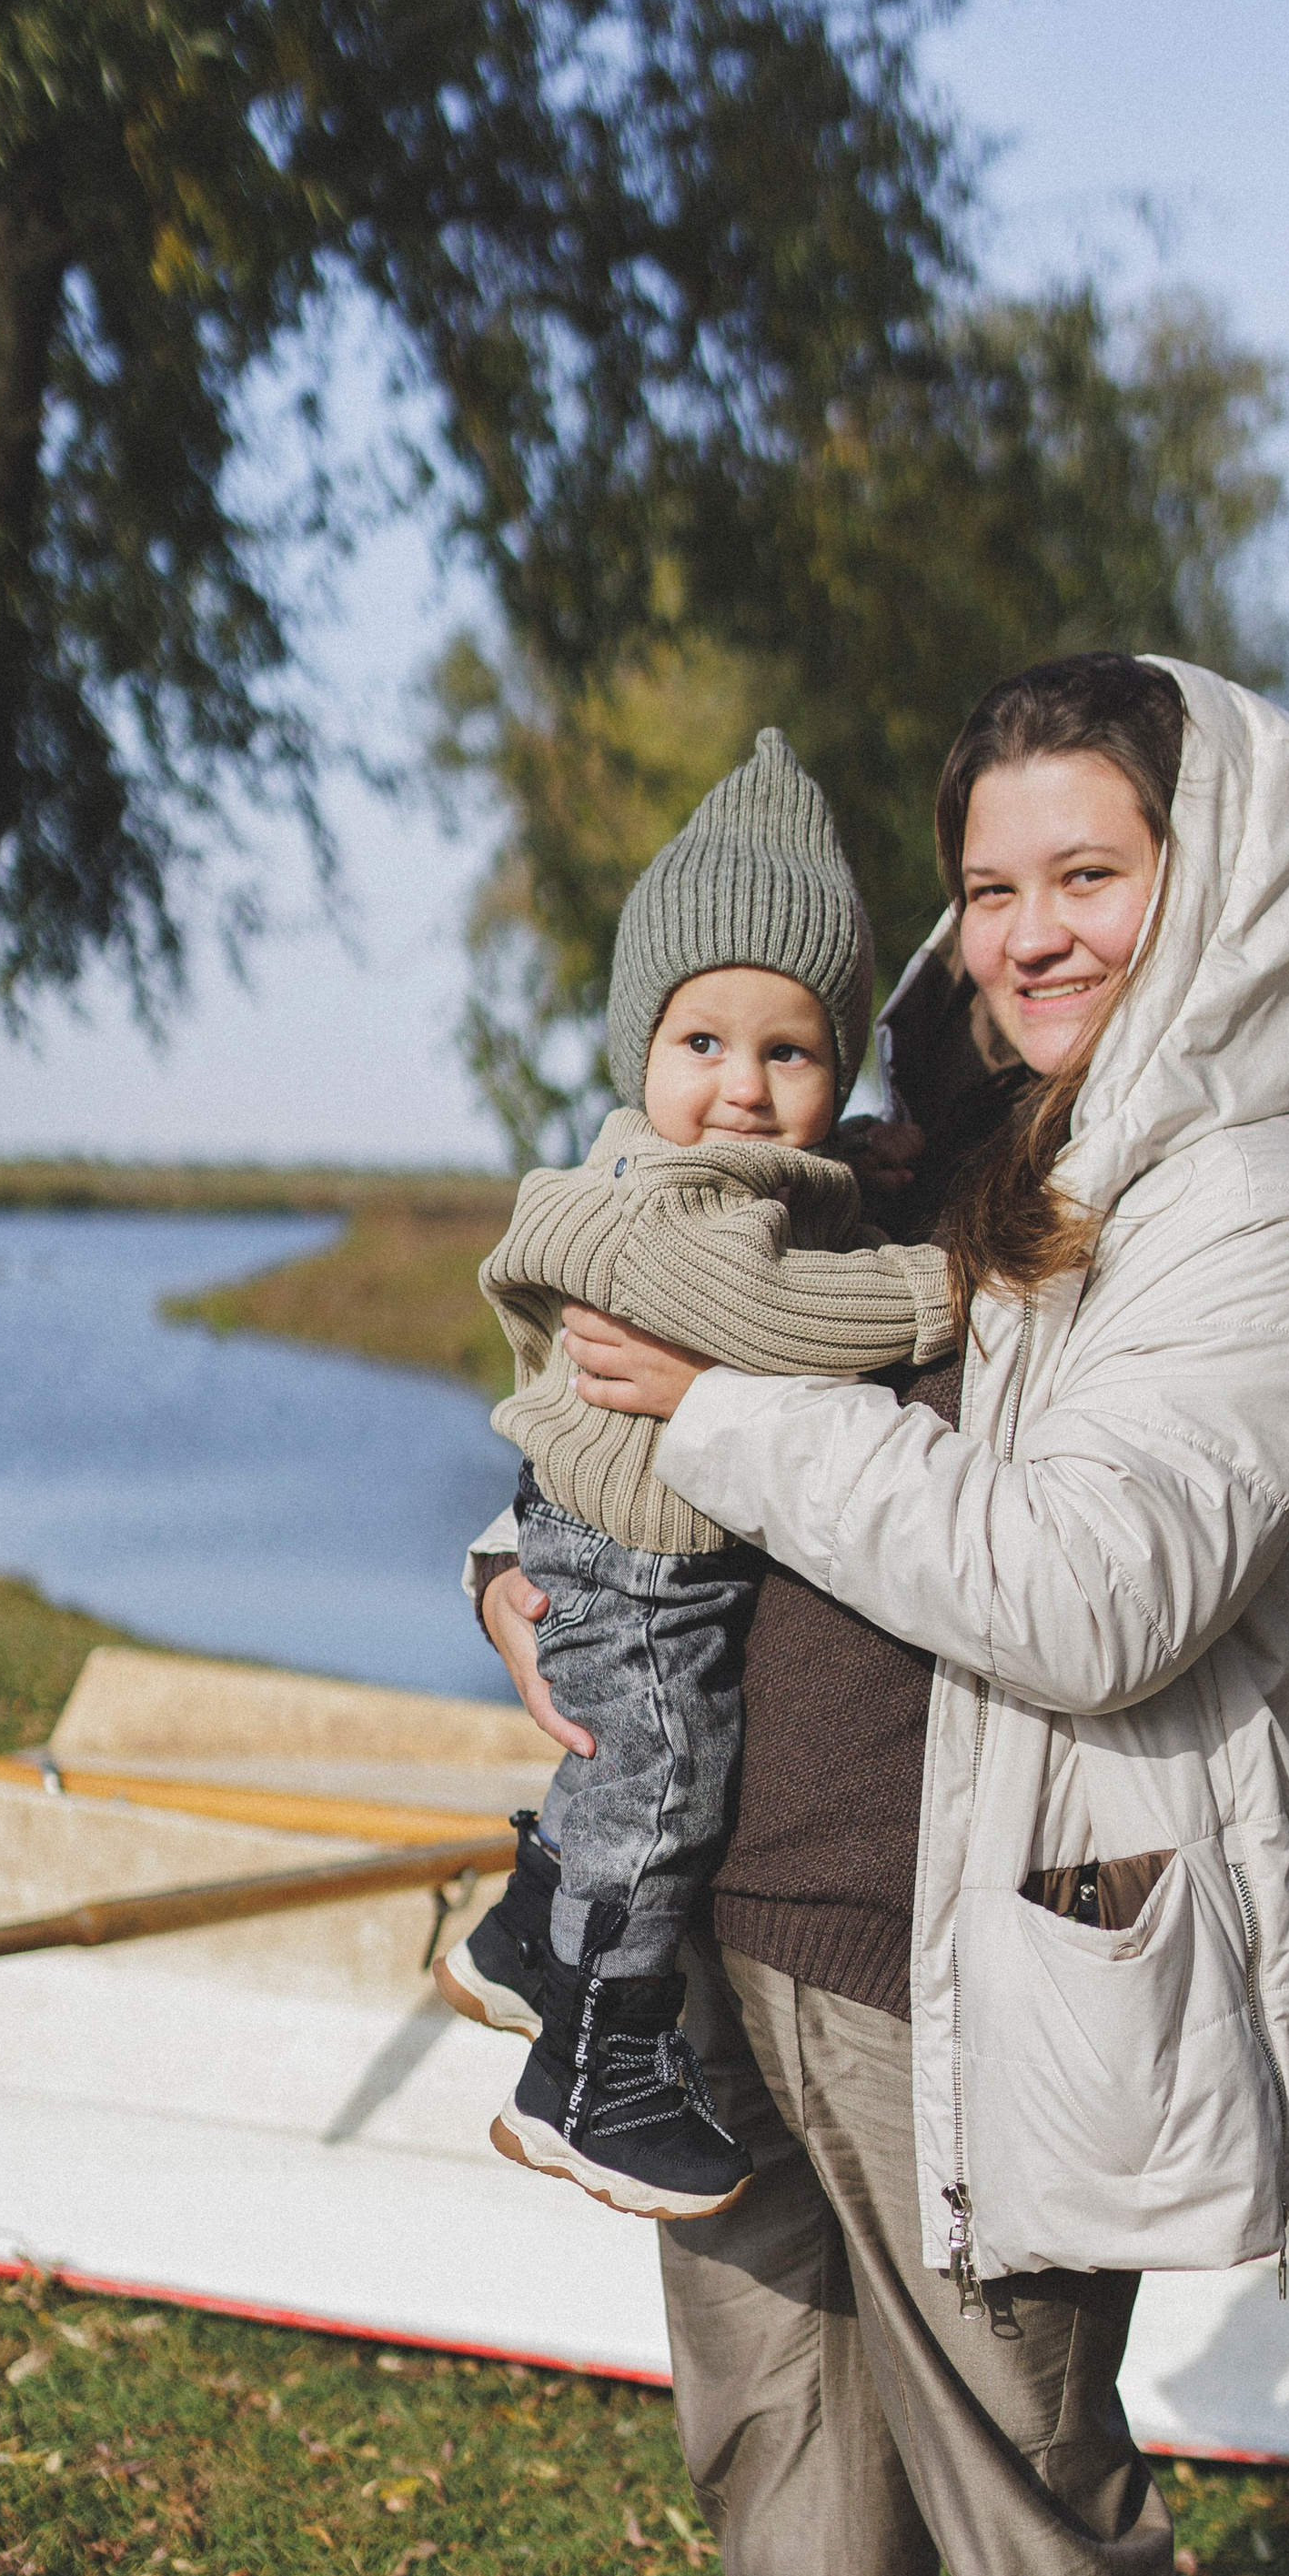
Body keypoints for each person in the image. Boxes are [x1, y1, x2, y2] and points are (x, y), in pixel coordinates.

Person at [473, 652, 1289, 2576]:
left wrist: (720, 1408)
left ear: (1198, 873)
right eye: (991, 882)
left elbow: (1096, 1593)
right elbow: (645, 1393)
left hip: (989, 1952)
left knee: (1028, 2491)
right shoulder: (956, 1140)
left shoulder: (1264, 1210)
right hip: (750, 1911)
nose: (1027, 930)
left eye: (1083, 874)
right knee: (773, 2427)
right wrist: (526, 1566)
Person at [442, 729, 954, 2221]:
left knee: (626, 1783)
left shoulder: (705, 1175)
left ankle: (526, 1938)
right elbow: (772, 1311)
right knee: (659, 1791)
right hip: (639, 1562)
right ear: (637, 1054)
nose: (744, 1089)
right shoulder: (660, 1210)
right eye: (704, 1045)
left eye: (789, 1053)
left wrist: (861, 1166)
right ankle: (595, 2080)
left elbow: (789, 1222)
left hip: (614, 1536)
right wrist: (940, 1289)